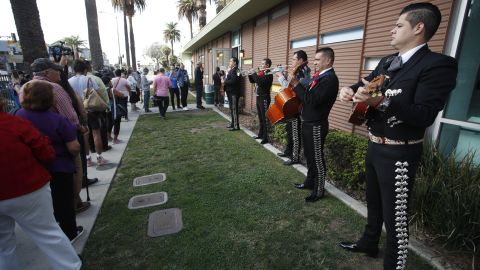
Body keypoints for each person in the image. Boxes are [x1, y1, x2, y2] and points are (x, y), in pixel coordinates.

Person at [338, 3, 458, 269]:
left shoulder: (438, 65)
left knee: (396, 219)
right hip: (375, 145)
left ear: (418, 28)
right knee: (374, 204)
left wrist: (379, 102)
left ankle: (395, 265)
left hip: (400, 153)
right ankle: (369, 243)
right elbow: (366, 84)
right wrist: (349, 89)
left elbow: (424, 114)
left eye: (398, 25)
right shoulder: (388, 61)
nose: (392, 30)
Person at [0, 96, 82, 270]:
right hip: (27, 188)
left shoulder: (19, 118)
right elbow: (45, 152)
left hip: (20, 189)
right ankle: (70, 267)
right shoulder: (13, 123)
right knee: (48, 233)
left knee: (3, 246)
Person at [16, 80, 83, 242]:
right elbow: (73, 147)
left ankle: (54, 229)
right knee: (64, 202)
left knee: (45, 205)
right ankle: (70, 232)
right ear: (49, 98)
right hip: (59, 168)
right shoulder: (58, 120)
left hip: (33, 169)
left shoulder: (19, 115)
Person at [290, 48, 338, 202]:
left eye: (318, 59)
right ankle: (309, 182)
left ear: (328, 60)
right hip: (308, 122)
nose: (314, 62)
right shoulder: (320, 76)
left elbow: (312, 100)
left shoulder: (330, 79)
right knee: (309, 156)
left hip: (317, 125)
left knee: (317, 158)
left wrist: (296, 83)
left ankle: (319, 190)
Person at [275, 50, 311, 165]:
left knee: (295, 134)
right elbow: (290, 85)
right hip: (291, 105)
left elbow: (291, 87)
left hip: (297, 107)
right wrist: (284, 74)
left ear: (301, 61)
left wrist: (280, 76)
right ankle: (288, 151)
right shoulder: (298, 70)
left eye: (294, 59)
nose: (291, 62)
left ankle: (295, 158)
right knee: (290, 131)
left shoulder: (304, 71)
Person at [248, 58, 273, 144]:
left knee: (265, 118)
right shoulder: (261, 73)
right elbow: (253, 81)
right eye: (261, 63)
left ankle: (266, 137)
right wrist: (250, 74)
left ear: (267, 65)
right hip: (259, 97)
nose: (261, 65)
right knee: (260, 118)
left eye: (263, 64)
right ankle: (261, 134)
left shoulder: (269, 74)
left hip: (264, 98)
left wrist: (254, 73)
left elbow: (261, 83)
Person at [109, 69, 131, 144]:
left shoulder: (112, 80)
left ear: (115, 73)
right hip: (123, 96)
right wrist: (129, 92)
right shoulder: (124, 80)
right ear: (120, 73)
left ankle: (109, 136)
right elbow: (128, 86)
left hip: (113, 98)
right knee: (123, 108)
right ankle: (126, 116)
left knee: (112, 118)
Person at [224, 57, 242, 131]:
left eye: (230, 61)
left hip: (234, 93)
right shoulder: (231, 70)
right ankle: (232, 123)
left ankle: (236, 126)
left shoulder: (237, 70)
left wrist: (225, 81)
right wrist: (227, 74)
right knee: (232, 108)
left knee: (234, 109)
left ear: (235, 62)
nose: (229, 63)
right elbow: (229, 79)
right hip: (230, 92)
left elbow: (233, 81)